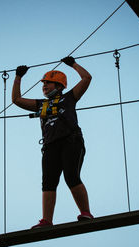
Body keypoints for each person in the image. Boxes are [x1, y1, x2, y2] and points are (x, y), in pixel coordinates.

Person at [12, 56, 93, 228]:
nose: (44, 86)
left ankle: (86, 212)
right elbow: (17, 100)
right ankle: (46, 220)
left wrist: (73, 64)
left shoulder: (70, 98)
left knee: (71, 176)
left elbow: (87, 78)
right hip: (50, 146)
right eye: (43, 84)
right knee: (48, 181)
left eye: (48, 83)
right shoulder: (41, 104)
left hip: (71, 141)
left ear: (59, 86)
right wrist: (18, 77)